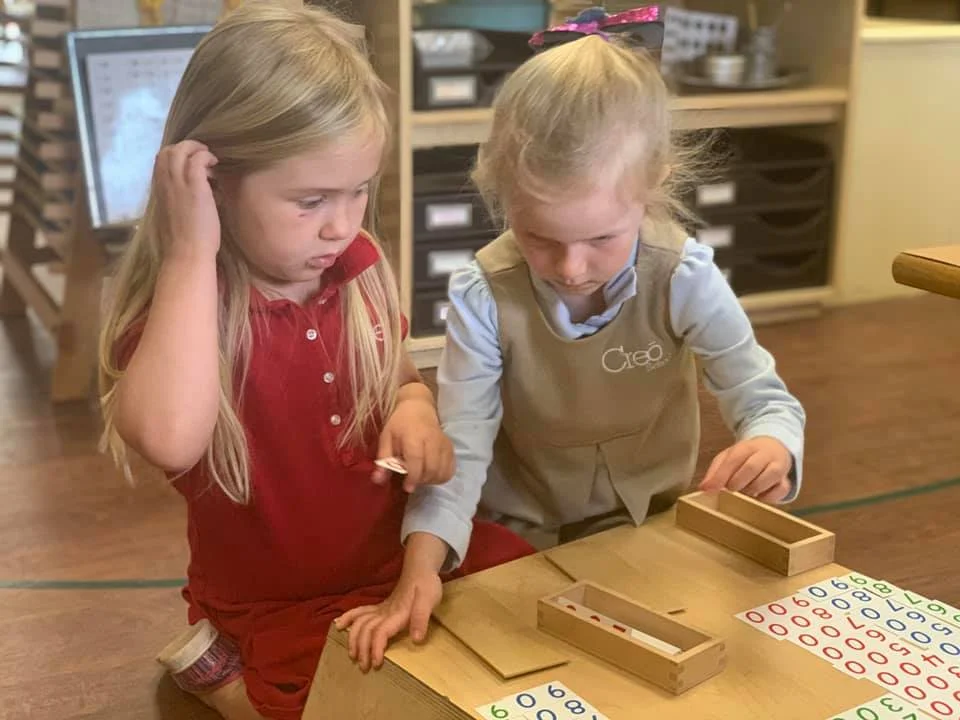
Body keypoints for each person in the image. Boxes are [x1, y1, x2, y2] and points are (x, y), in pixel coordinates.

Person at [97, 5, 533, 719]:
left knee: (523, 588)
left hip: (391, 560)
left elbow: (399, 376)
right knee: (332, 701)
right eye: (310, 201)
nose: (342, 224)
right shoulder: (185, 310)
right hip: (280, 601)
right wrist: (188, 252)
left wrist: (415, 409)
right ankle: (222, 677)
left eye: (359, 190)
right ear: (211, 185)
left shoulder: (355, 264)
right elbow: (169, 439)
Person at [386, 24, 806, 630]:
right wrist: (421, 566)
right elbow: (463, 444)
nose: (572, 268)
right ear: (503, 196)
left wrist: (772, 446)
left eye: (602, 238)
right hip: (519, 531)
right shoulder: (484, 294)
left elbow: (764, 399)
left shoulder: (683, 275)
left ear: (654, 184)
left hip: (649, 524)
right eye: (539, 238)